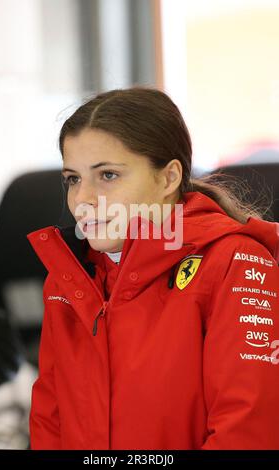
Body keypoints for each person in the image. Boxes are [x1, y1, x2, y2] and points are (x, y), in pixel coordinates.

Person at [27, 86, 279, 450]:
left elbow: (248, 431)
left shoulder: (233, 263)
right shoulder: (68, 280)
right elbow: (49, 423)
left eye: (108, 175)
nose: (82, 199)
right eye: (73, 178)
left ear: (168, 178)